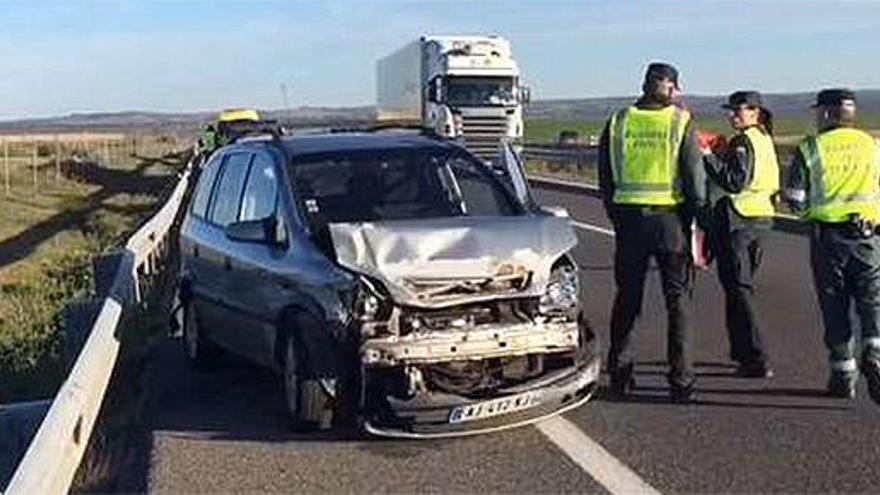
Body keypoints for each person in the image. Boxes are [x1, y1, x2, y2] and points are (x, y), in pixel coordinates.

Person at [598, 62, 707, 403]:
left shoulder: (618, 121)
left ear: (644, 85)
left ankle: (619, 372)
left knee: (628, 298)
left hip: (630, 221)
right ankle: (681, 380)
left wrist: (617, 215)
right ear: (672, 87)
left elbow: (605, 177)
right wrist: (696, 217)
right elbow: (694, 177)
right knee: (678, 301)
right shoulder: (679, 121)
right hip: (669, 221)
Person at [785, 88, 880, 403]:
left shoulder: (811, 148)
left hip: (829, 239)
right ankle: (875, 350)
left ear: (826, 113)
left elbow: (796, 201)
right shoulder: (872, 145)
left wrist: (811, 212)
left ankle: (843, 377)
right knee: (872, 300)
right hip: (868, 237)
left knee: (835, 307)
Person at [703, 91, 780, 378]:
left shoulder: (743, 142)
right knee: (739, 289)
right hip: (761, 219)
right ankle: (742, 353)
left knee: (739, 290)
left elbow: (735, 182)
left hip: (740, 222)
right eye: (730, 110)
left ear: (755, 112)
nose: (731, 115)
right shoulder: (764, 139)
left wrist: (709, 157)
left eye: (738, 111)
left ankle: (756, 357)